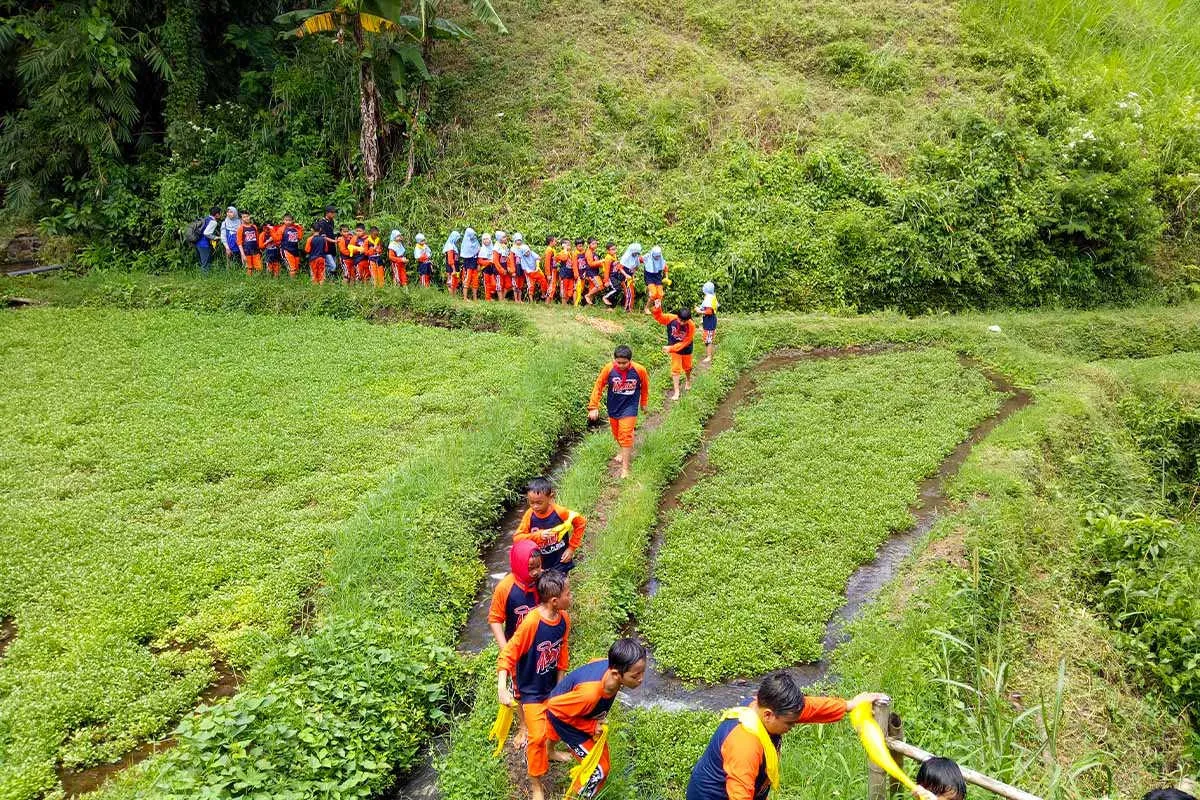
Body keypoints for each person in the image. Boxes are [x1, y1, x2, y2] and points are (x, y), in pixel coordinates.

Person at [685, 671, 887, 800]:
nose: (792, 727)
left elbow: (807, 708)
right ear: (768, 715)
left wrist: (848, 705)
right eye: (789, 723)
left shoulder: (763, 706)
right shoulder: (745, 745)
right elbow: (740, 794)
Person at [498, 571, 573, 800]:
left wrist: (560, 687)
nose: (572, 597)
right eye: (568, 594)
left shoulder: (563, 620)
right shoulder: (531, 622)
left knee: (556, 725)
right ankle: (536, 784)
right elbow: (508, 654)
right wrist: (502, 686)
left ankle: (550, 752)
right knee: (537, 736)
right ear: (554, 600)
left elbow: (562, 653)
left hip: (552, 687)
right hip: (531, 691)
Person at [545, 638, 648, 798]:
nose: (641, 679)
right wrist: (591, 727)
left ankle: (548, 752)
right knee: (599, 770)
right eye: (635, 676)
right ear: (616, 674)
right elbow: (553, 708)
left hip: (573, 706)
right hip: (564, 717)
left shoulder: (609, 666)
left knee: (603, 760)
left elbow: (593, 662)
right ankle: (577, 796)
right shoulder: (590, 695)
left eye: (643, 672)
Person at [489, 539, 543, 749]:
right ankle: (523, 726)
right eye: (530, 568)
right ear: (518, 564)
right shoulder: (505, 588)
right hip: (518, 649)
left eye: (539, 566)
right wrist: (506, 649)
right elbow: (495, 619)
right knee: (519, 687)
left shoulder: (542, 582)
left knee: (541, 679)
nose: (536, 572)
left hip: (540, 645)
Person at [588, 345, 650, 479]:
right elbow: (598, 386)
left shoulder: (639, 370)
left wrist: (643, 403)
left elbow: (644, 387)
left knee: (625, 434)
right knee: (617, 434)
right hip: (614, 406)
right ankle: (621, 451)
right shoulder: (608, 369)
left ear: (630, 360)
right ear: (614, 360)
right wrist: (593, 406)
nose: (621, 365)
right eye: (619, 362)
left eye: (624, 363)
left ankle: (625, 469)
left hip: (630, 406)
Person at [514, 476, 587, 574]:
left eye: (539, 503)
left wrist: (571, 548)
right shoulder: (529, 515)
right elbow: (517, 538)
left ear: (550, 497)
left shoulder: (560, 512)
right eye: (531, 502)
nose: (535, 506)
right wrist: (538, 536)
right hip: (540, 564)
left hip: (560, 561)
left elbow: (581, 522)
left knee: (560, 586)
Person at [653, 303, 696, 400]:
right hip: (674, 348)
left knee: (687, 367)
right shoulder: (671, 318)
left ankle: (688, 380)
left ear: (688, 320)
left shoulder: (691, 325)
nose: (681, 323)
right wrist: (657, 307)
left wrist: (671, 348)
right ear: (677, 316)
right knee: (675, 369)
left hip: (686, 348)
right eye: (680, 320)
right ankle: (677, 392)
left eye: (684, 321)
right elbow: (659, 317)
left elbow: (687, 341)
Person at [313, 206, 338, 280]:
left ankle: (326, 279)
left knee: (332, 266)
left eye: (334, 213)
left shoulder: (332, 221)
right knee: (333, 266)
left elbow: (331, 233)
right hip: (326, 248)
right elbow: (323, 237)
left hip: (332, 247)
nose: (334, 214)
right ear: (327, 213)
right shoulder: (321, 223)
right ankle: (320, 276)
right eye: (332, 213)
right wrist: (334, 241)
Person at [697, 281, 718, 363]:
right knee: (707, 337)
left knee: (708, 339)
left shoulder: (709, 298)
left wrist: (699, 311)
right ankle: (708, 353)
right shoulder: (712, 296)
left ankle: (709, 356)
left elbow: (709, 311)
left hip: (710, 320)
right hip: (710, 320)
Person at [194, 207, 220, 274]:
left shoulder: (205, 218)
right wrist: (216, 237)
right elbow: (206, 233)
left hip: (198, 242)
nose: (221, 215)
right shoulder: (213, 222)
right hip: (204, 244)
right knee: (206, 263)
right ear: (217, 214)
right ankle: (205, 279)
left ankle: (203, 277)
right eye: (220, 213)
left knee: (202, 262)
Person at [602, 242, 628, 309]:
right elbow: (606, 270)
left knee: (616, 290)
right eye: (612, 249)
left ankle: (611, 307)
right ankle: (605, 297)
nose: (614, 251)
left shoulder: (614, 256)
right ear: (608, 251)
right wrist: (606, 281)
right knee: (617, 289)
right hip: (611, 277)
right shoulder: (608, 258)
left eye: (615, 249)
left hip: (615, 275)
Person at [643, 245, 668, 313]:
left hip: (658, 278)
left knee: (660, 294)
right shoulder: (647, 257)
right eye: (656, 256)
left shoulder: (661, 259)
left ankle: (656, 309)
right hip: (649, 278)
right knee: (653, 294)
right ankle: (646, 308)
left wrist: (666, 277)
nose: (657, 258)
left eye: (658, 256)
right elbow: (639, 260)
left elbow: (665, 268)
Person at [280, 214, 305, 278]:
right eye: (286, 220)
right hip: (286, 250)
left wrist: (299, 227)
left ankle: (295, 283)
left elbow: (299, 237)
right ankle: (292, 284)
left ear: (292, 221)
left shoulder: (295, 229)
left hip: (295, 250)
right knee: (292, 268)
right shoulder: (281, 229)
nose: (288, 222)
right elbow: (277, 238)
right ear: (283, 220)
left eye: (289, 220)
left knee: (296, 268)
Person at [583, 237, 605, 306]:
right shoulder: (588, 252)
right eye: (593, 244)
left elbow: (596, 263)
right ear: (589, 244)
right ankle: (587, 295)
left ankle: (589, 305)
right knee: (600, 286)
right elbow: (591, 264)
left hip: (595, 272)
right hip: (591, 272)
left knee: (592, 288)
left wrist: (602, 264)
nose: (595, 245)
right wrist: (600, 261)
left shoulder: (593, 252)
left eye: (596, 243)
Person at [461, 227, 481, 301]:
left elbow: (479, 254)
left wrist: (478, 264)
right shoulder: (465, 244)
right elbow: (465, 255)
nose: (473, 236)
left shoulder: (476, 242)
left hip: (475, 266)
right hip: (468, 266)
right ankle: (465, 298)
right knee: (466, 281)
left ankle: (475, 298)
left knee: (475, 282)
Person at [479, 232, 499, 301]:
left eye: (487, 239)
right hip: (485, 269)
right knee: (487, 284)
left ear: (490, 240)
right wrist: (489, 262)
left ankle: (491, 295)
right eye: (484, 239)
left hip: (492, 268)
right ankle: (488, 298)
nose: (485, 241)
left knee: (494, 284)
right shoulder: (482, 249)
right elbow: (480, 261)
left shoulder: (492, 248)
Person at [556, 239, 576, 305]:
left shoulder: (571, 253)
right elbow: (564, 258)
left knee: (570, 290)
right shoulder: (561, 253)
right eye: (567, 245)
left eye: (570, 245)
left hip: (570, 274)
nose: (569, 246)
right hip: (564, 274)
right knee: (564, 289)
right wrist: (565, 249)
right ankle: (563, 303)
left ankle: (566, 302)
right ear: (563, 245)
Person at [443, 230, 461, 294]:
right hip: (451, 267)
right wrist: (454, 270)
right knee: (450, 282)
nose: (457, 240)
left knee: (455, 281)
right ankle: (452, 297)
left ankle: (454, 296)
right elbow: (450, 260)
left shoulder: (453, 245)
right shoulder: (450, 246)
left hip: (455, 266)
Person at [543, 236, 559, 303]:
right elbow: (547, 263)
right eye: (555, 241)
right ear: (551, 242)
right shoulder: (549, 250)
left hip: (554, 270)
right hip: (551, 271)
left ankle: (550, 301)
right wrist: (548, 274)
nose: (556, 242)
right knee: (550, 286)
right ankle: (547, 302)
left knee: (553, 285)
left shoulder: (552, 249)